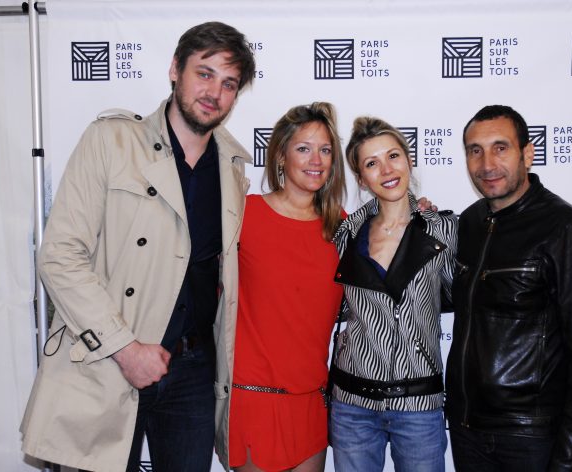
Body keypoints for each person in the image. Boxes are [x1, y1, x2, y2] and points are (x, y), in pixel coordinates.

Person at [20, 22, 255, 472]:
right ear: (175, 69)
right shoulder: (111, 141)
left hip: (192, 371)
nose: (214, 93)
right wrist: (126, 349)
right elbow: (60, 255)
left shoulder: (232, 167)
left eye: (229, 84)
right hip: (108, 358)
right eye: (204, 74)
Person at [445, 105, 572, 472]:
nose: (487, 164)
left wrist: (568, 463)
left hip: (531, 438)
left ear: (527, 154)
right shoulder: (470, 222)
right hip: (467, 431)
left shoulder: (564, 228)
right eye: (475, 150)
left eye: (500, 148)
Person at [328, 116, 457, 471]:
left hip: (419, 405)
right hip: (352, 405)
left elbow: (460, 297)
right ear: (361, 178)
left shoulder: (443, 230)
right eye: (372, 163)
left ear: (408, 159)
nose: (386, 169)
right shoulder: (345, 234)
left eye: (393, 156)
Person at [227, 102, 346, 471]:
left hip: (311, 400)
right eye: (304, 148)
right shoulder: (243, 215)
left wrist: (417, 209)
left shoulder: (341, 226)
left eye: (325, 150)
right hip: (253, 399)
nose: (316, 160)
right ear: (280, 155)